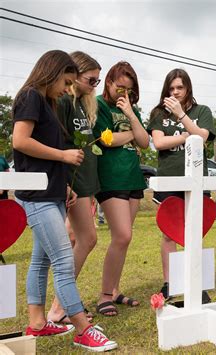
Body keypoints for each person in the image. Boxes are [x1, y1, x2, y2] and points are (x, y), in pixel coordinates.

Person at [12, 50, 116, 351]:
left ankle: (37, 323)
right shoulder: (31, 96)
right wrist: (63, 155)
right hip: (36, 195)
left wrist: (64, 186)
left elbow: (45, 148)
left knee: (41, 260)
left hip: (52, 191)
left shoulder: (48, 101)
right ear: (52, 72)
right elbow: (20, 141)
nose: (67, 88)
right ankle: (82, 327)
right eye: (66, 81)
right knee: (61, 258)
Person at [147, 68, 216, 301]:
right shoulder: (158, 113)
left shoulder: (202, 111)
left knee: (194, 232)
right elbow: (159, 142)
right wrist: (186, 137)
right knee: (168, 233)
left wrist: (181, 116)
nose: (175, 92)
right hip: (169, 177)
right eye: (172, 88)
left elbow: (203, 136)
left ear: (188, 89)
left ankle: (196, 280)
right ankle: (170, 282)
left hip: (196, 178)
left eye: (180, 87)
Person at [45, 51, 101, 324]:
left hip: (86, 184)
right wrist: (67, 183)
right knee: (86, 239)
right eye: (91, 80)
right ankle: (59, 307)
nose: (94, 86)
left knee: (79, 240)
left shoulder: (83, 105)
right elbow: (59, 145)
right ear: (75, 75)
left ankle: (62, 304)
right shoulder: (65, 102)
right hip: (73, 182)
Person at [93, 61, 149, 316]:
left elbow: (145, 142)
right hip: (110, 178)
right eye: (120, 87)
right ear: (108, 82)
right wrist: (129, 136)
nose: (123, 93)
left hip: (133, 178)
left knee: (124, 240)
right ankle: (104, 295)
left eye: (128, 89)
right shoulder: (98, 104)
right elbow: (106, 139)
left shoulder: (130, 109)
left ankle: (114, 291)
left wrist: (130, 114)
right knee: (122, 235)